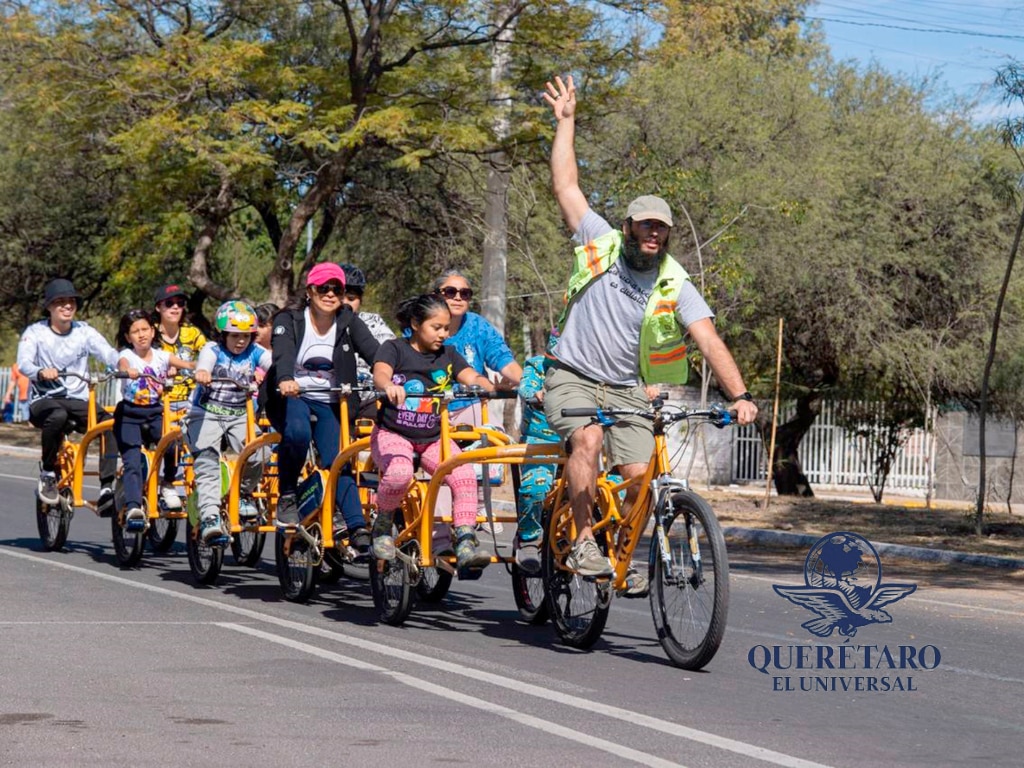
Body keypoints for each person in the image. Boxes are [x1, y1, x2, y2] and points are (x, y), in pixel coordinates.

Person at [542, 74, 759, 577]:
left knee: (642, 478)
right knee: (589, 441)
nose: (653, 234)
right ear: (629, 227)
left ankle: (618, 553)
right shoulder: (600, 242)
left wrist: (740, 395)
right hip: (570, 374)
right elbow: (566, 185)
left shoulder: (675, 281)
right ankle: (580, 542)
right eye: (645, 225)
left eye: (661, 228)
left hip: (624, 387)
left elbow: (707, 338)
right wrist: (567, 123)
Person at [371, 293, 497, 570]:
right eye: (436, 328)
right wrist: (387, 385)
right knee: (400, 472)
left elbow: (471, 376)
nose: (443, 334)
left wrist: (486, 385)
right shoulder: (394, 348)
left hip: (432, 438)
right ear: (416, 324)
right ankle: (382, 525)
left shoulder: (449, 354)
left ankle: (465, 540)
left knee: (464, 475)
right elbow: (380, 373)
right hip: (393, 434)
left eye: (447, 328)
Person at [264, 263, 379, 548]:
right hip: (291, 396)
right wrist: (287, 379)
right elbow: (283, 355)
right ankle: (288, 494)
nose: (330, 294)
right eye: (323, 288)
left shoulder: (348, 320)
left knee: (338, 459)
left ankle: (356, 525)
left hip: (331, 401)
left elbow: (376, 353)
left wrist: (396, 377)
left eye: (337, 289)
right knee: (298, 433)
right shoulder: (288, 320)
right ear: (310, 290)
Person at [17, 278, 120, 510]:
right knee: (57, 416)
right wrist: (41, 371)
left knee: (109, 424)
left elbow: (107, 353)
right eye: (60, 302)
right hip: (45, 401)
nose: (66, 306)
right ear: (49, 307)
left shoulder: (84, 331)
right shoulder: (35, 332)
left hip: (78, 400)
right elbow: (23, 363)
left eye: (70, 301)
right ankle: (47, 473)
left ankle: (106, 487)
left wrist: (122, 364)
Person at [433, 269, 522, 533]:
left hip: (471, 406)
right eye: (450, 292)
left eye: (465, 293)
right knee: (440, 460)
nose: (458, 297)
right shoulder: (423, 324)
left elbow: (504, 361)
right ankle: (438, 533)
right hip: (433, 411)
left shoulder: (478, 326)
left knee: (494, 435)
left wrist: (526, 384)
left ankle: (480, 503)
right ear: (436, 296)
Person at [187, 301, 272, 544]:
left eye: (246, 335)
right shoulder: (213, 350)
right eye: (235, 335)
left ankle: (243, 494)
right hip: (206, 413)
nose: (241, 341)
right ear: (223, 334)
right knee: (207, 460)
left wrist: (286, 376)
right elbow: (204, 363)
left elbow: (273, 364)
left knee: (260, 452)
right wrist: (203, 373)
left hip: (240, 416)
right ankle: (210, 517)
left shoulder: (255, 352)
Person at [113, 309, 190, 531]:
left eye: (145, 329)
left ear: (153, 330)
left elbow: (189, 365)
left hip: (155, 412)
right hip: (129, 414)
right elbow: (123, 364)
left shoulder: (162, 355)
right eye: (135, 332)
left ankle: (167, 483)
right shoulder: (127, 355)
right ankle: (134, 507)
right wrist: (128, 371)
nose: (141, 335)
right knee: (132, 461)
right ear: (128, 337)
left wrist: (202, 369)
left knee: (172, 445)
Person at [152, 284, 206, 512]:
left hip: (191, 399)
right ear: (158, 307)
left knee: (206, 438)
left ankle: (204, 484)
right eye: (169, 303)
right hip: (160, 399)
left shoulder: (192, 334)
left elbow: (208, 355)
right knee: (172, 439)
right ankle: (168, 482)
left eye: (180, 303)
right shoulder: (150, 333)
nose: (175, 308)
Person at [337, 263, 396, 419]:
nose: (345, 303)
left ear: (360, 300)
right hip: (332, 398)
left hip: (370, 398)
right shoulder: (320, 325)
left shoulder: (374, 322)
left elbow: (390, 356)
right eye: (340, 296)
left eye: (351, 298)